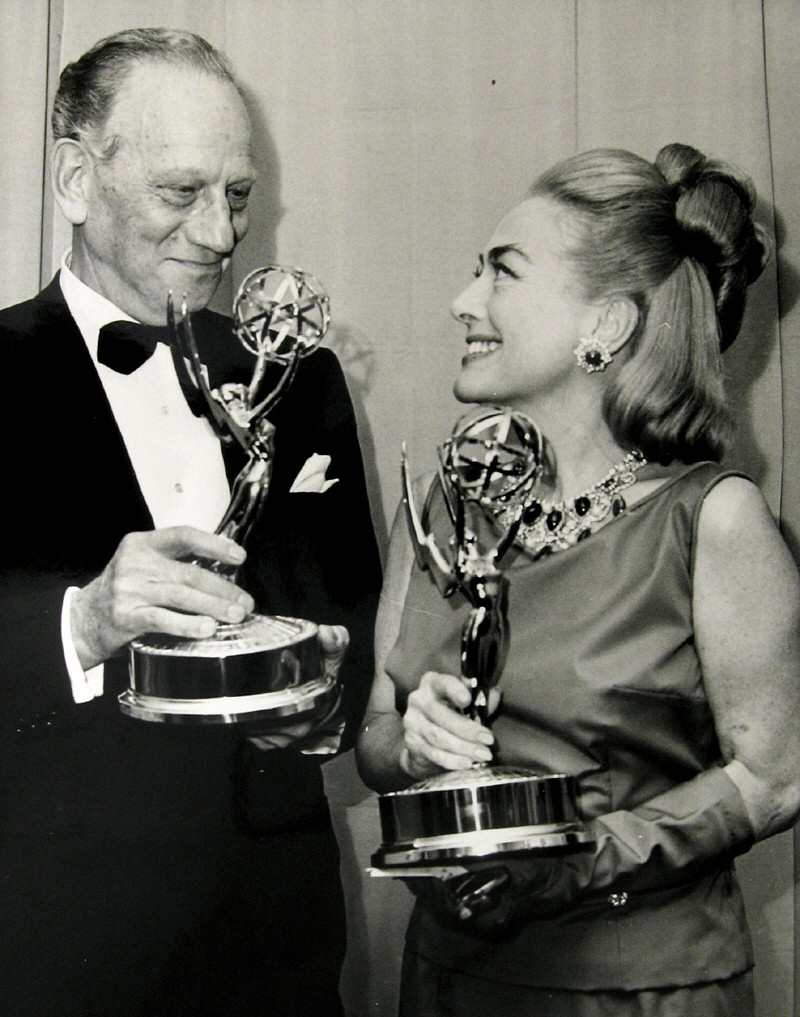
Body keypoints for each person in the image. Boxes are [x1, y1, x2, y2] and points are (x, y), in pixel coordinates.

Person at [356, 143, 800, 1016]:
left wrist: (578, 862)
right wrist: (408, 742)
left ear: (606, 325)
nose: (463, 302)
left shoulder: (714, 519)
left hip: (638, 989)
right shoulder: (440, 505)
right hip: (449, 980)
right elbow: (376, 731)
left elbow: (777, 777)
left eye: (502, 275)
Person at [0, 27, 381, 1017]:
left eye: (239, 195)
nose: (220, 233)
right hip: (56, 951)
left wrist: (322, 701)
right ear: (78, 180)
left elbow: (351, 617)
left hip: (276, 944)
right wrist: (80, 621)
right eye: (181, 193)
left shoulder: (303, 382)